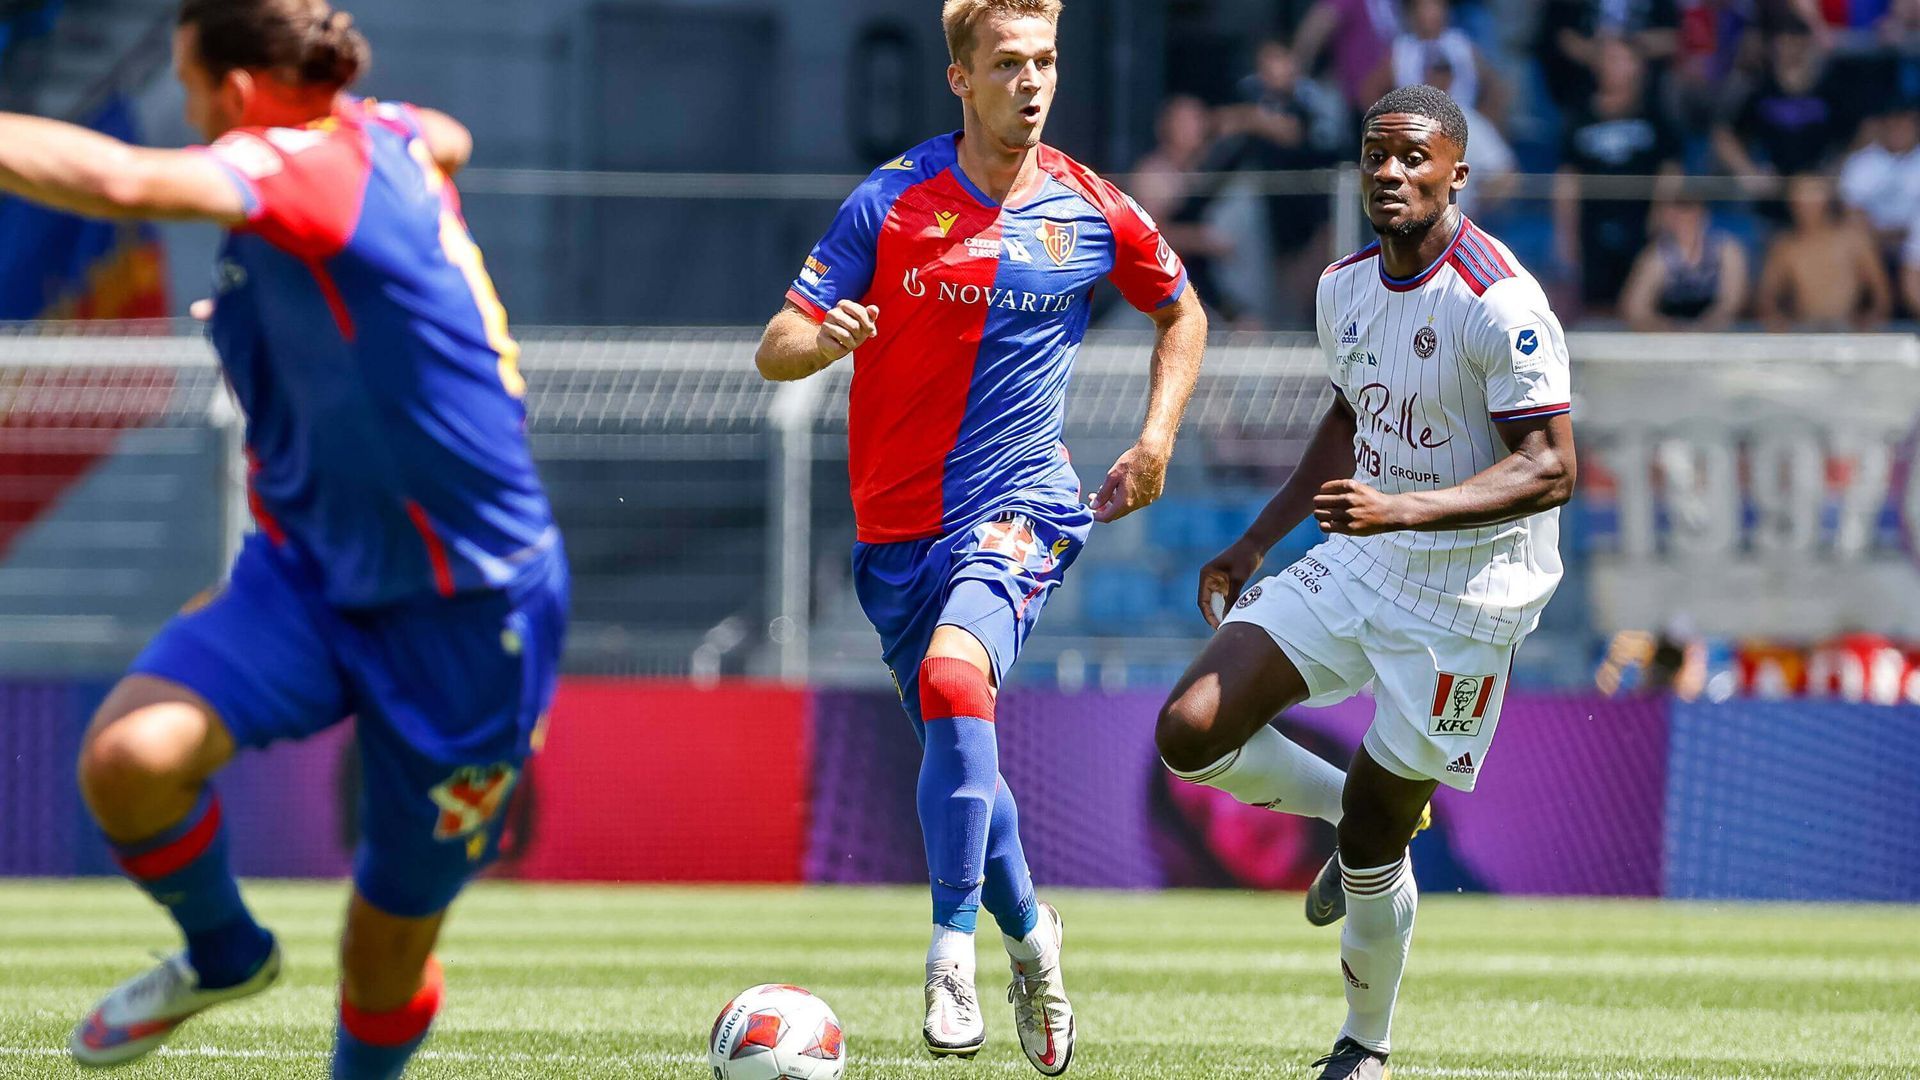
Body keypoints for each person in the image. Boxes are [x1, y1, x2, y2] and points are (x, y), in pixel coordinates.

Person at [0, 2, 569, 1077]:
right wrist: (405, 134)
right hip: (306, 573)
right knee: (129, 761)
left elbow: (119, 182)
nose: (186, 107)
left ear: (243, 92)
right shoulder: (376, 139)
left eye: (189, 82)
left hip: (470, 606)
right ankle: (224, 954)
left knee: (383, 950)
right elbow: (448, 131)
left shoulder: (304, 171)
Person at [753, 0, 1206, 1071]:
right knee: (969, 764)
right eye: (1009, 63)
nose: (1034, 82)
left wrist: (1155, 438)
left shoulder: (1092, 206)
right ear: (961, 80)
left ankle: (949, 953)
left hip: (1022, 508)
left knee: (960, 684)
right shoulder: (893, 200)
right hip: (896, 537)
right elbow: (774, 343)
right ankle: (1034, 938)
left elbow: (1179, 310)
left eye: (1046, 61)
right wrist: (824, 341)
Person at [1155, 84, 1577, 1080]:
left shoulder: (1500, 302)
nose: (1391, 173)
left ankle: (1365, 1044)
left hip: (1470, 598)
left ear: (1455, 174)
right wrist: (1257, 540)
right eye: (1376, 156)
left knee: (1379, 839)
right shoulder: (1342, 287)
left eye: (1414, 158)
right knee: (1190, 731)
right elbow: (1349, 423)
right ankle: (1349, 808)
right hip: (1363, 558)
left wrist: (1403, 509)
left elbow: (1552, 464)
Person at [1554, 36, 1684, 314]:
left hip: (1642, 225)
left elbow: (1670, 172)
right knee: (1595, 304)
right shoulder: (1580, 116)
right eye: (1609, 59)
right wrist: (1567, 235)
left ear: (1637, 67)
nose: (1614, 67)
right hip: (1593, 225)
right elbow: (1568, 180)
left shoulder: (1654, 114)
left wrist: (1661, 218)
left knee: (1642, 302)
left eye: (1623, 60)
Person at [1756, 171, 1892, 329]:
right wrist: (1776, 321)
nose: (1806, 202)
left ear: (1828, 199)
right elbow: (1766, 298)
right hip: (1803, 332)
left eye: (1813, 194)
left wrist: (1870, 323)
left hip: (1849, 332)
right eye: (1800, 195)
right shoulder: (1785, 246)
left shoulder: (1854, 240)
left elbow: (1882, 295)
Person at [1619, 188, 1750, 330]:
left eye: (1690, 211)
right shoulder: (1656, 256)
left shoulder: (1727, 249)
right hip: (1668, 334)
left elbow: (1731, 303)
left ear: (1704, 215)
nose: (1685, 219)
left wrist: (1705, 329)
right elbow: (1635, 308)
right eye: (1678, 214)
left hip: (1716, 331)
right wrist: (1667, 330)